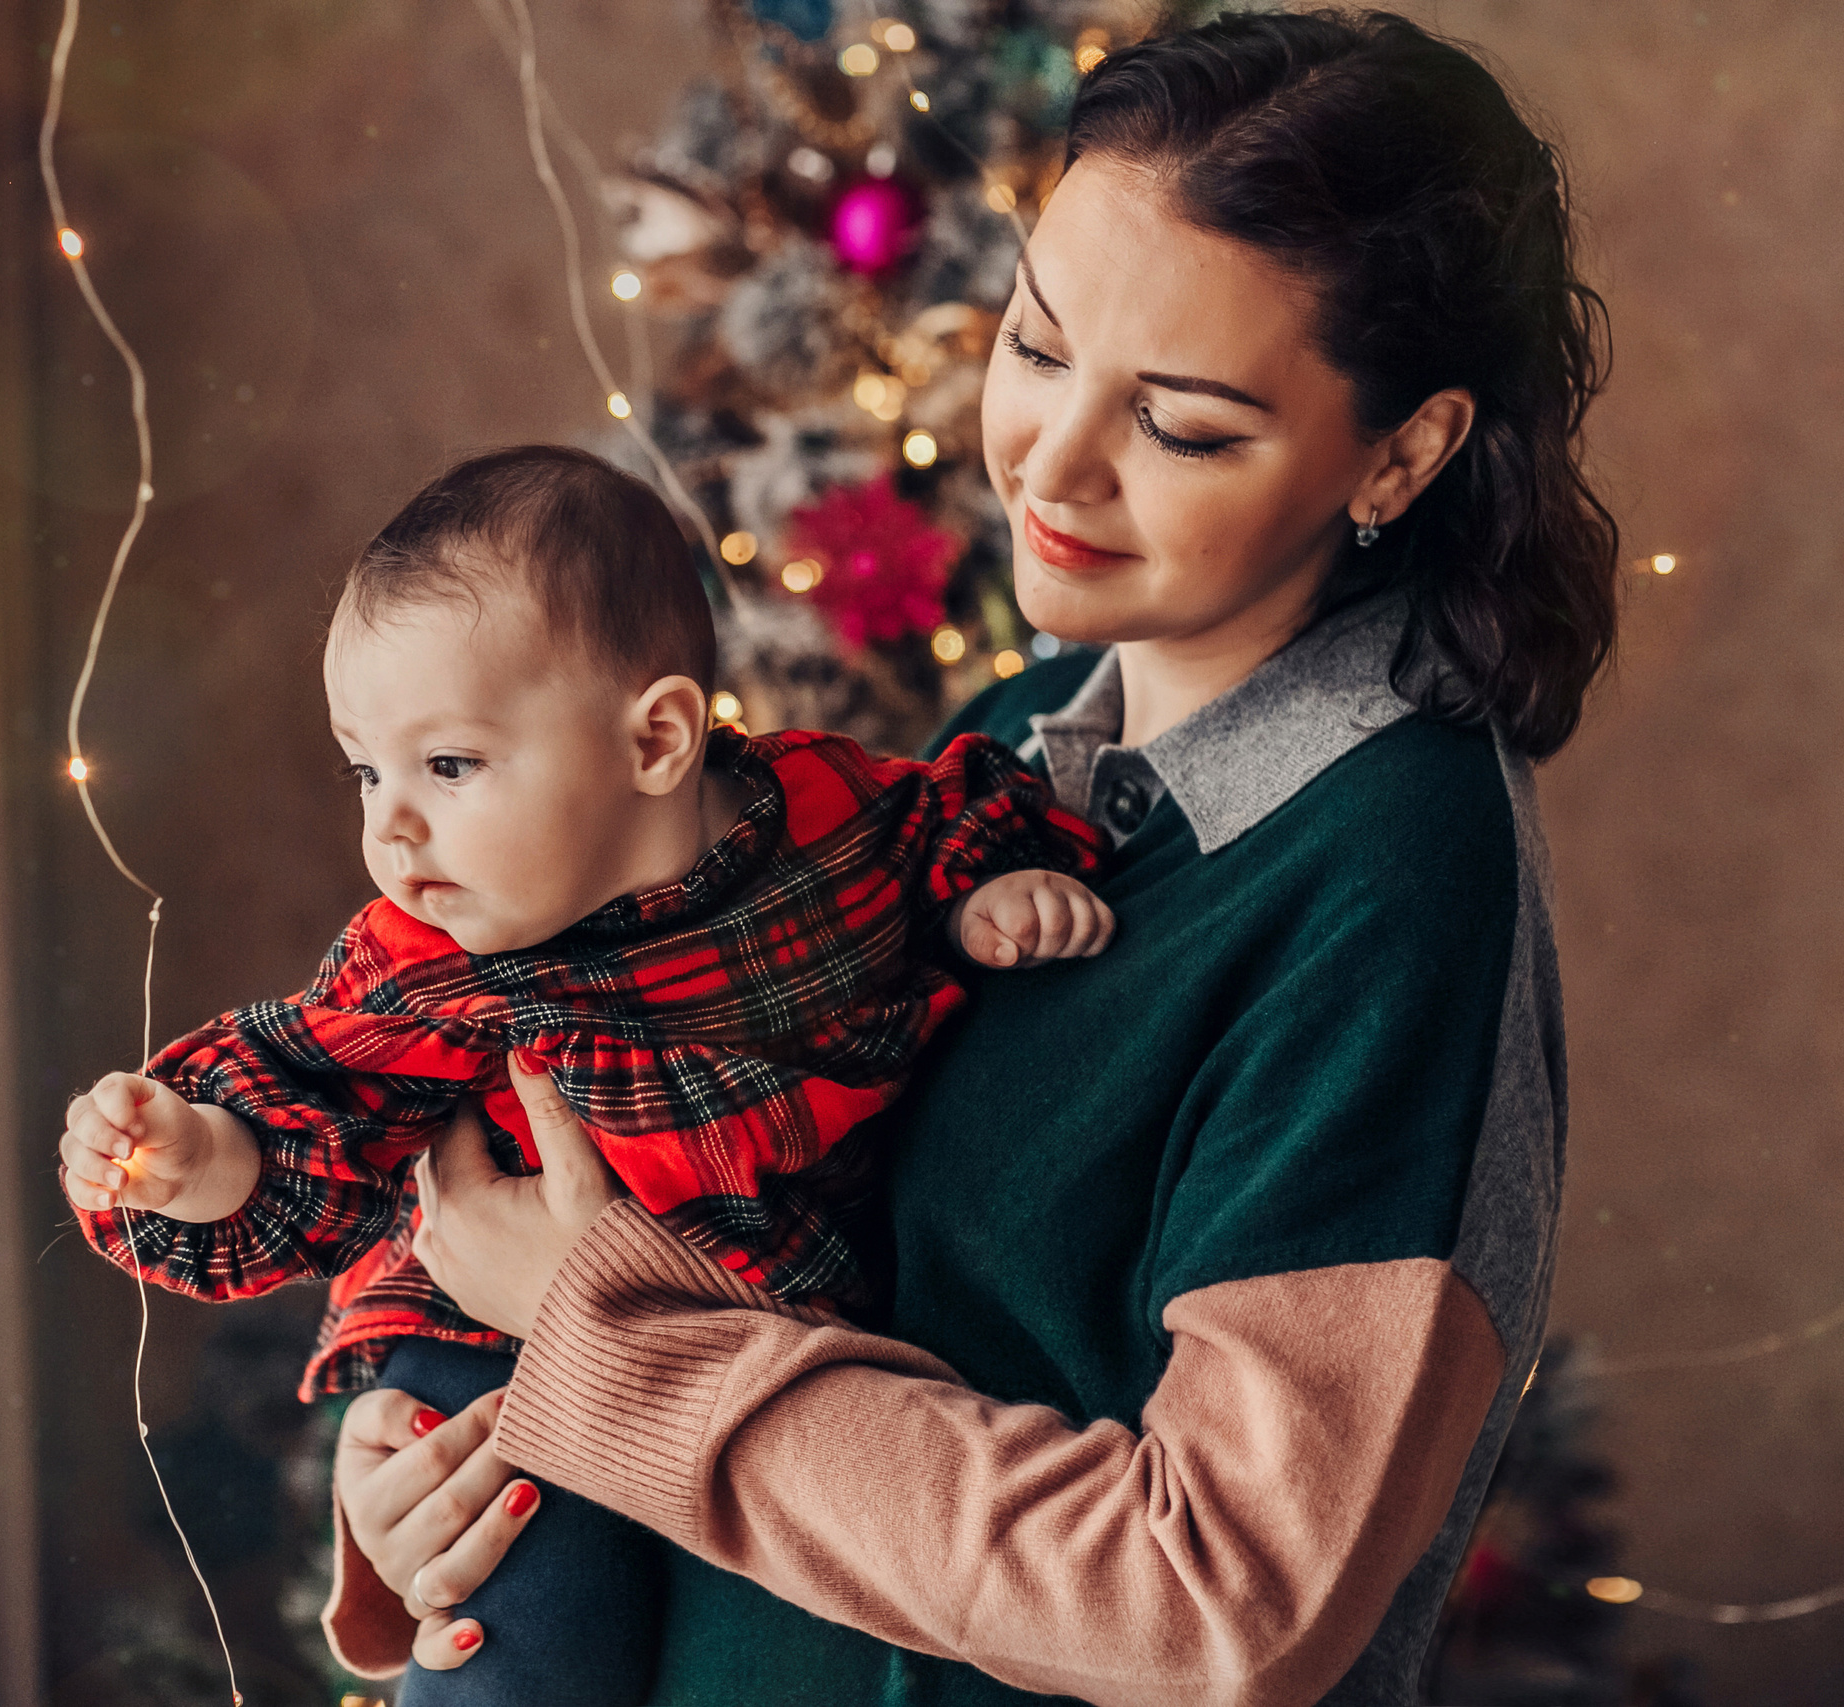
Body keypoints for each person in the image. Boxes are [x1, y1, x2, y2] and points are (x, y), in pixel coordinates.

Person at [324, 12, 1618, 1706]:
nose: (1053, 466)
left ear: (1402, 450)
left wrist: (603, 1337)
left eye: (1186, 425)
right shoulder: (1008, 749)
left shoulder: (1391, 884)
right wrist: (439, 1462)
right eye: (1034, 343)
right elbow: (769, 1229)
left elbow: (1214, 1597)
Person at [55, 443, 1111, 1705]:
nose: (387, 825)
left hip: (754, 1336)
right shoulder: (432, 963)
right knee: (525, 1608)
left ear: (657, 738)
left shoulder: (828, 821)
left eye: (446, 766)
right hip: (486, 1336)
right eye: (366, 769)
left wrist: (990, 889)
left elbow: (942, 817)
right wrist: (204, 1157)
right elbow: (313, 1106)